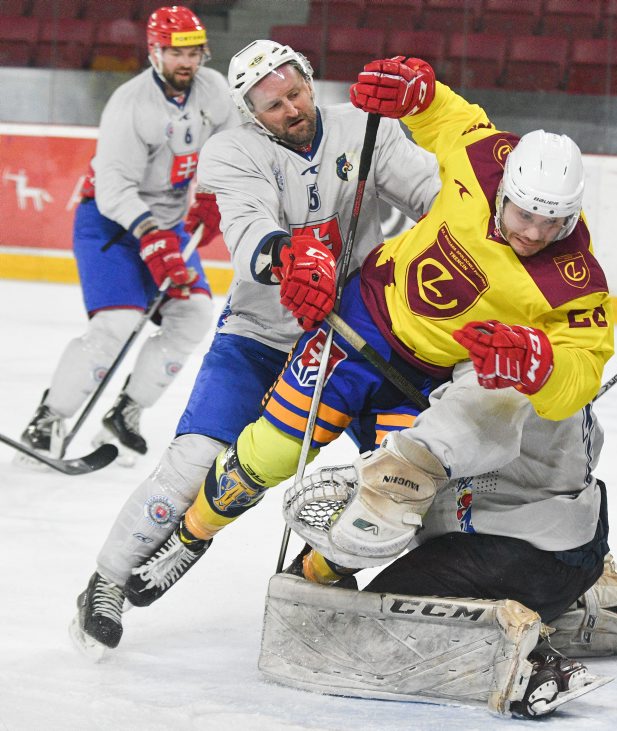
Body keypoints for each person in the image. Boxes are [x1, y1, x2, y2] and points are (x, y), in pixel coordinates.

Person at [119, 55, 616, 615]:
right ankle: (190, 538)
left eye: (554, 222)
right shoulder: (486, 159)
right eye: (524, 214)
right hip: (364, 318)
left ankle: (312, 575)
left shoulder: (574, 280)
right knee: (273, 449)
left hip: (425, 375)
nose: (533, 233)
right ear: (506, 186)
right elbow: (447, 114)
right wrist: (419, 93)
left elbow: (583, 368)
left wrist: (544, 368)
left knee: (394, 500)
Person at [69, 39, 440, 658]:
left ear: (310, 80)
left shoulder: (366, 130)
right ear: (250, 112)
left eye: (296, 93)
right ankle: (106, 581)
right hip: (262, 335)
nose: (292, 110)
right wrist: (286, 259)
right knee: (193, 462)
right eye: (274, 105)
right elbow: (247, 230)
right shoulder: (233, 150)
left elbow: (433, 197)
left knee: (403, 478)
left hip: (359, 338)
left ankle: (317, 581)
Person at [274, 362, 617, 717]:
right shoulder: (547, 350)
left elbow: (427, 458)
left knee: (372, 631)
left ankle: (526, 663)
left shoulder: (495, 364)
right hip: (572, 550)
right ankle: (579, 611)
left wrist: (377, 481)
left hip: (513, 555)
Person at [20, 5, 238, 467]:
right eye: (177, 53)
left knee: (195, 314)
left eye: (195, 52)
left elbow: (231, 146)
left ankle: (125, 412)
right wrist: (152, 238)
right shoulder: (130, 103)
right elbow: (116, 188)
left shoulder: (213, 90)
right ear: (154, 53)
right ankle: (47, 420)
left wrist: (214, 195)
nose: (188, 62)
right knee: (117, 324)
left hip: (171, 223)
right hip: (111, 223)